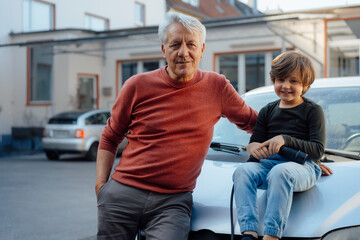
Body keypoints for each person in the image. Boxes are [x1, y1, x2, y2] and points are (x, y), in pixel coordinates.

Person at [95, 12, 258, 240]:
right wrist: (102, 187)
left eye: (191, 44)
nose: (184, 52)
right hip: (123, 194)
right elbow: (110, 136)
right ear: (164, 50)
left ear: (202, 49)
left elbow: (255, 123)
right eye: (175, 44)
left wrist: (303, 149)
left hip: (172, 202)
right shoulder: (136, 85)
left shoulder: (217, 87)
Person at [232, 51, 330, 240]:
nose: (285, 86)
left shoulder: (313, 111)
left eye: (293, 81)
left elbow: (318, 150)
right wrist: (253, 149)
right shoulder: (267, 110)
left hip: (304, 166)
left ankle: (271, 235)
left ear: (306, 85)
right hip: (269, 165)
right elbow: (255, 143)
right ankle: (249, 232)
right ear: (273, 80)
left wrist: (285, 139)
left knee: (281, 172)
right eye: (280, 79)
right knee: (242, 171)